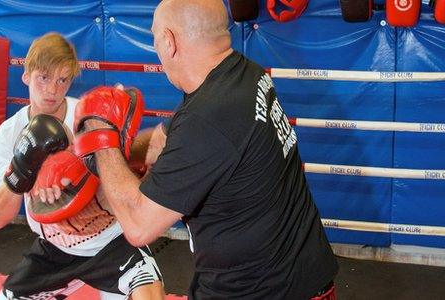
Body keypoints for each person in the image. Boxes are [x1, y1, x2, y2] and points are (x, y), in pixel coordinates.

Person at [71, 0, 339, 299]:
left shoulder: (210, 116)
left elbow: (138, 226)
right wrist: (97, 160)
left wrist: (101, 137)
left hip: (263, 289)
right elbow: (162, 141)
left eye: (156, 37)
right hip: (295, 275)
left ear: (170, 41)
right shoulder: (243, 74)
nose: (156, 48)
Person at [0, 32, 165, 300]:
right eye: (43, 77)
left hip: (111, 240)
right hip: (55, 247)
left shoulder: (89, 119)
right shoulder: (9, 133)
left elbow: (124, 178)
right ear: (26, 76)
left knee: (149, 295)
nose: (52, 90)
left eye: (62, 79)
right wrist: (23, 170)